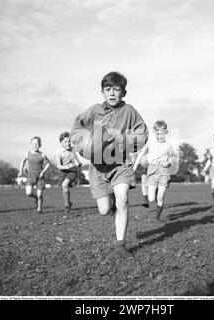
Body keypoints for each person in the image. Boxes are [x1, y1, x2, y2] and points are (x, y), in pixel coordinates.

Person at [71, 71, 148, 259]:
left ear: (124, 92)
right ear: (102, 92)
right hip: (98, 168)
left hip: (120, 164)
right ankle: (111, 202)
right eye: (108, 89)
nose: (112, 93)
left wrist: (124, 140)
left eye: (117, 89)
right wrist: (80, 140)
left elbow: (143, 134)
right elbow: (77, 126)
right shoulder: (94, 110)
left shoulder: (129, 111)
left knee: (123, 198)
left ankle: (120, 244)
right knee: (104, 210)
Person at [133, 120, 175, 221]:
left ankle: (157, 217)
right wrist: (134, 167)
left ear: (166, 132)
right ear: (154, 133)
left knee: (160, 197)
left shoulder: (168, 146)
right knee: (151, 199)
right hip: (152, 170)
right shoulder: (150, 143)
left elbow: (170, 158)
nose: (160, 136)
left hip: (163, 172)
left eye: (162, 134)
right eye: (157, 134)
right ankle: (156, 191)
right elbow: (141, 154)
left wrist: (168, 163)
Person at [18, 136, 50, 214]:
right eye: (33, 144)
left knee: (40, 195)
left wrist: (43, 172)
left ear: (40, 145)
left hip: (40, 176)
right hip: (30, 175)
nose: (35, 145)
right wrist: (20, 171)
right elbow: (23, 161)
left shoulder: (42, 155)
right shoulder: (27, 153)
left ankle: (39, 209)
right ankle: (35, 198)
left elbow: (48, 164)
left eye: (37, 144)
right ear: (31, 144)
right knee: (28, 193)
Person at [54, 131, 82, 213]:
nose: (68, 143)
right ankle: (69, 202)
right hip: (62, 171)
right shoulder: (59, 152)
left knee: (64, 185)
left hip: (72, 170)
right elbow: (58, 166)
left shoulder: (73, 149)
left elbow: (75, 156)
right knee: (64, 187)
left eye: (69, 141)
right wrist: (66, 166)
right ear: (61, 143)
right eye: (65, 142)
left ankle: (66, 206)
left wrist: (78, 162)